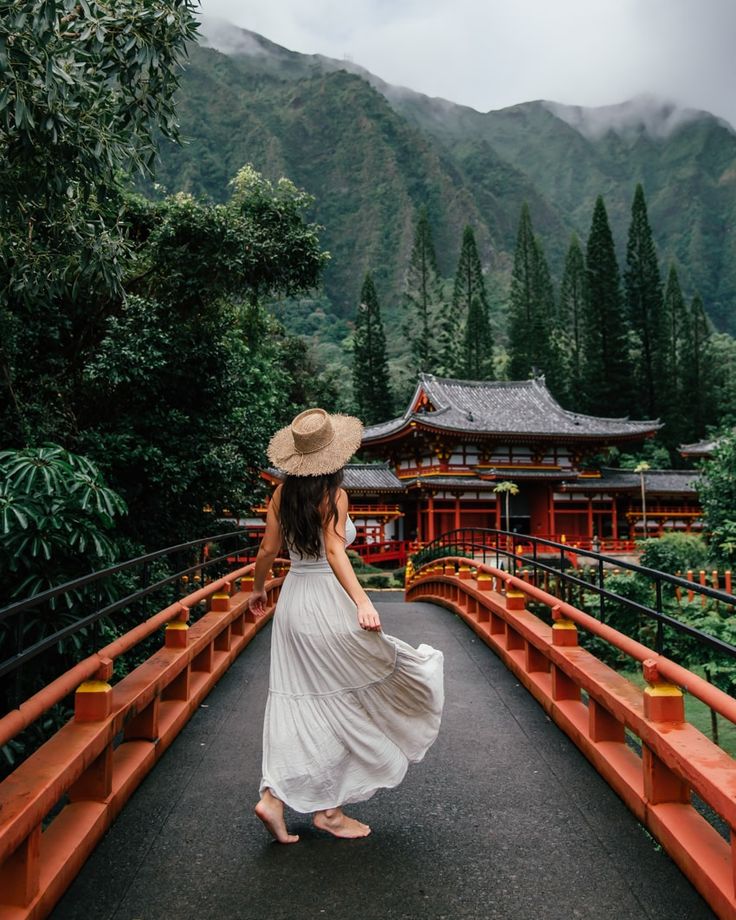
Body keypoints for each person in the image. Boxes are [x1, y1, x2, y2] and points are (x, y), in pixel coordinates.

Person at [248, 408, 444, 843]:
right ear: (334, 454)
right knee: (346, 699)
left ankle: (273, 796)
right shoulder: (334, 493)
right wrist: (363, 602)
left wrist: (258, 590)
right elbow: (336, 553)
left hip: (293, 603)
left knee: (296, 699)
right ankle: (329, 811)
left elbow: (266, 549)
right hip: (326, 600)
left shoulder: (281, 494)